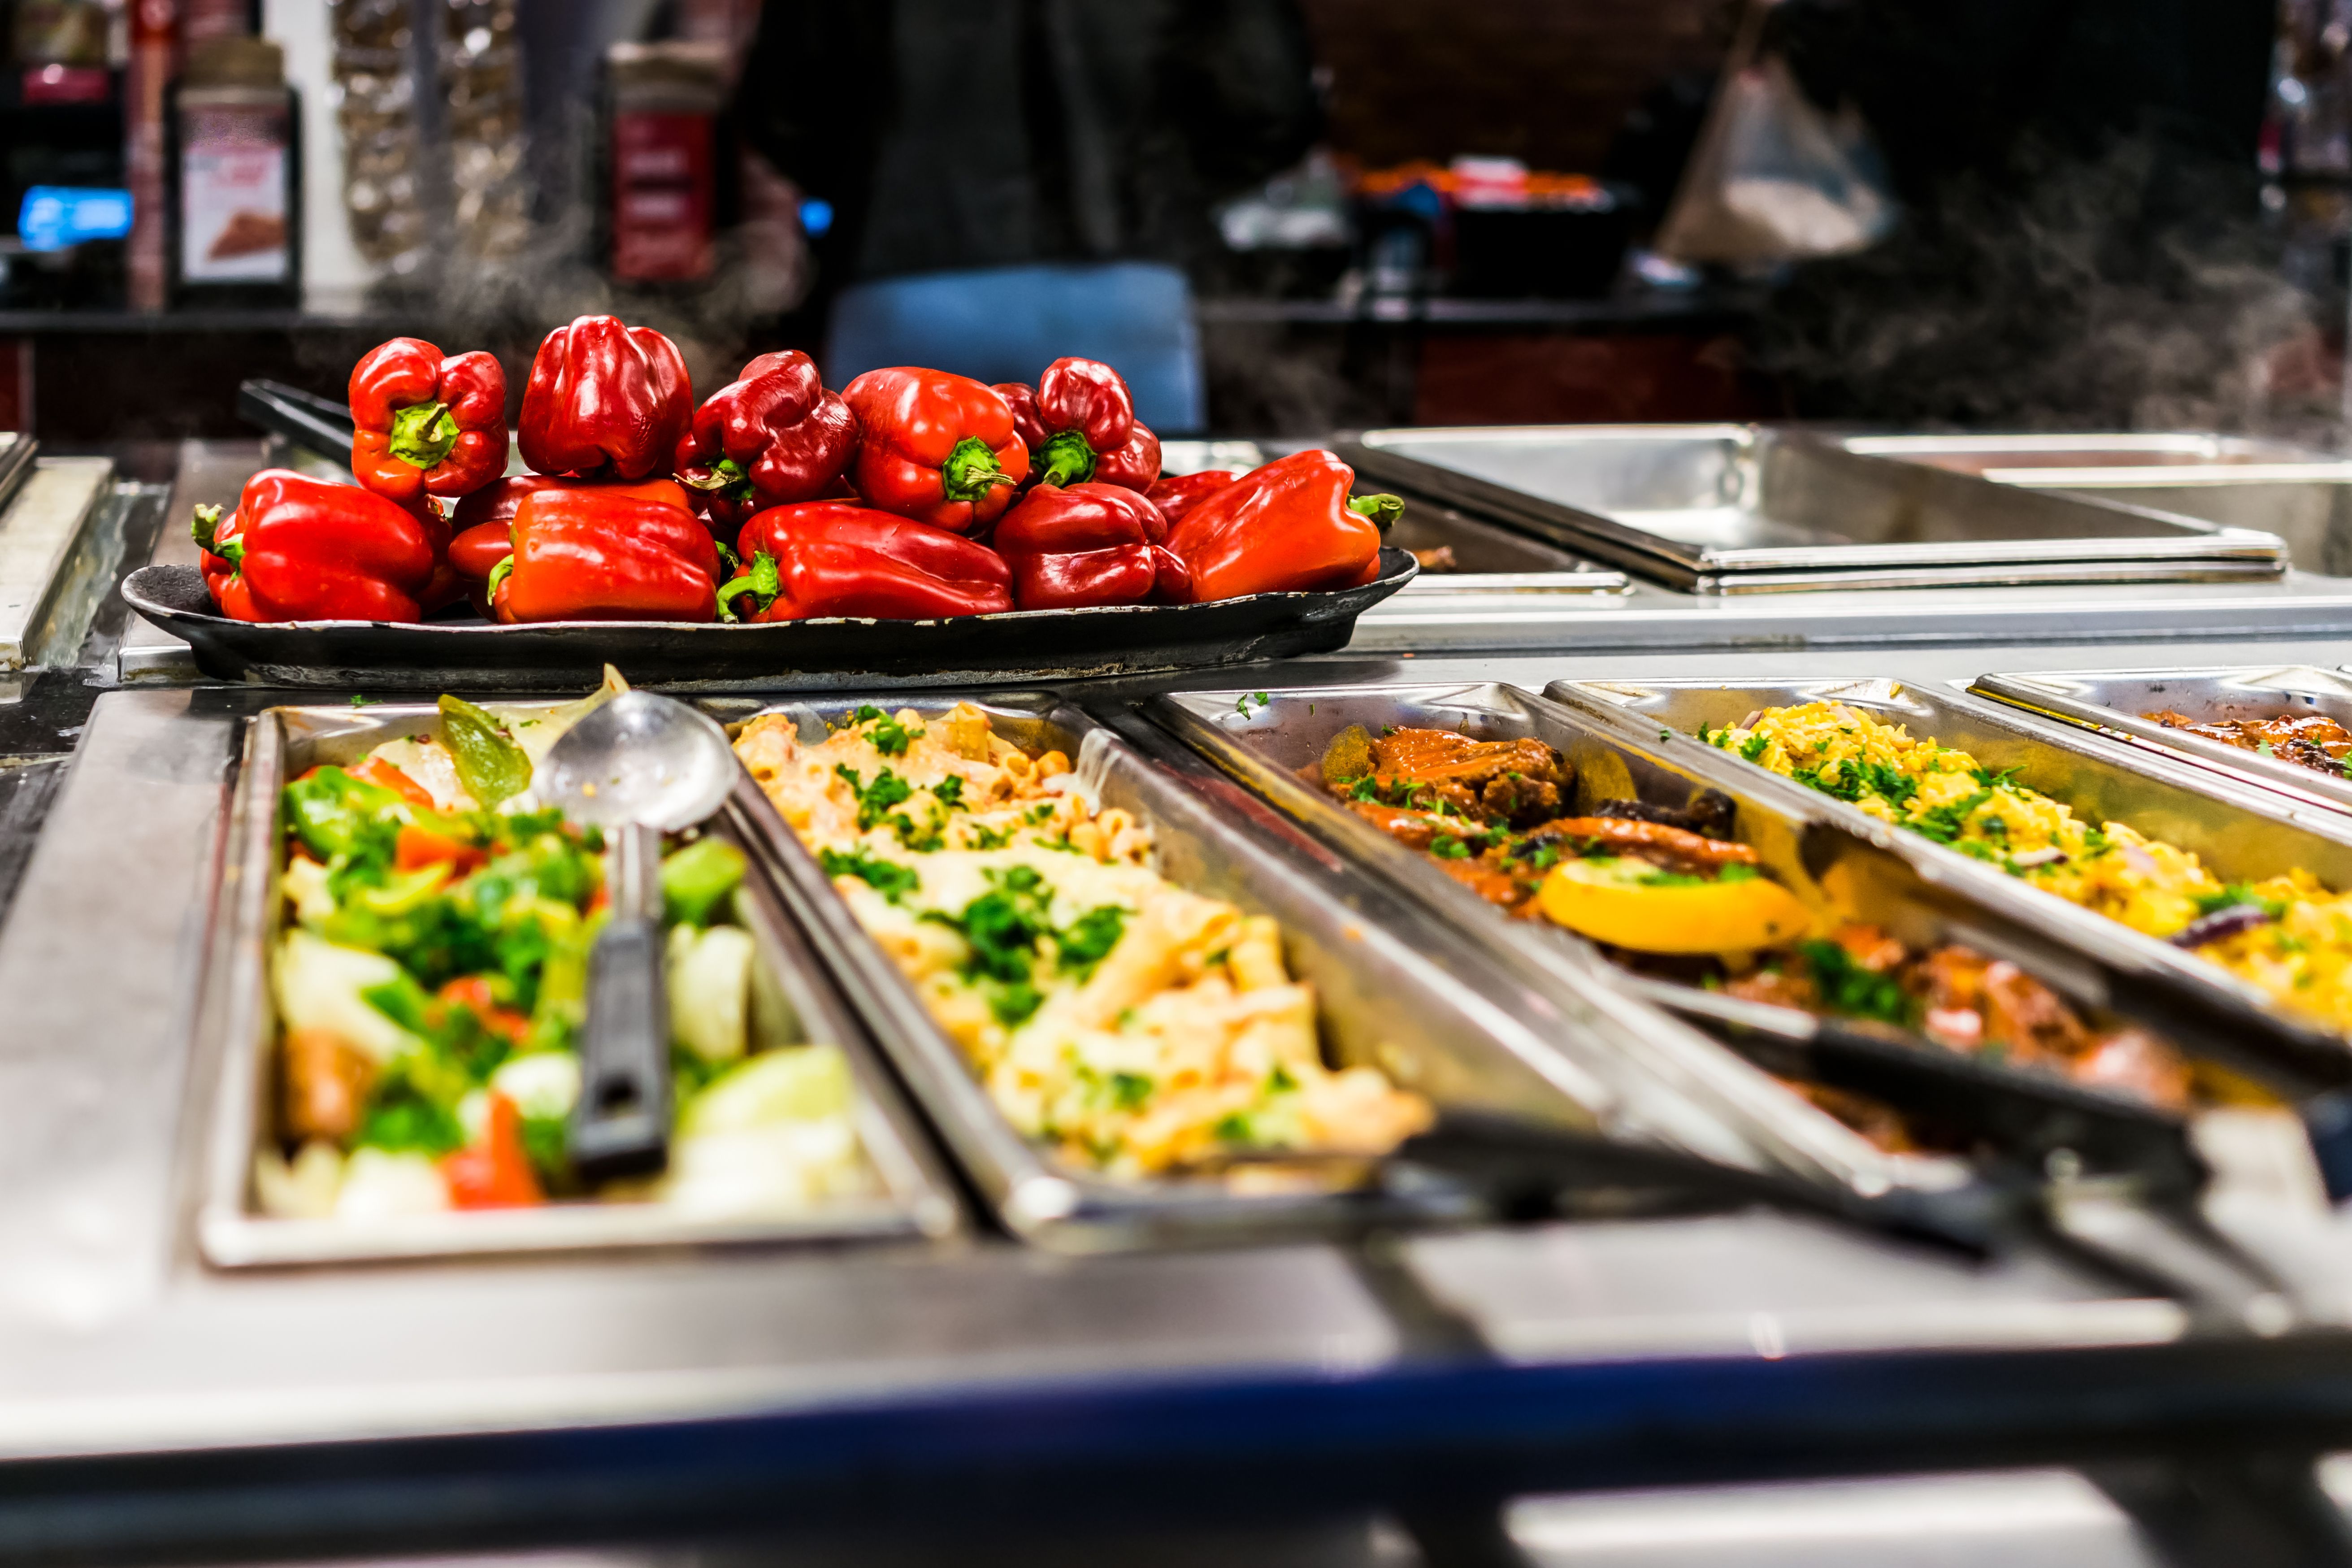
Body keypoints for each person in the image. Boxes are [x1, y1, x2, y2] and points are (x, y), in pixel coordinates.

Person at [735, 0, 1321, 432]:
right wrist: (1162, 192)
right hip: (1125, 286)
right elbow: (1272, 102)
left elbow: (777, 111)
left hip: (901, 278)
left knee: (881, 547)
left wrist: (873, 188)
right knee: (1136, 543)